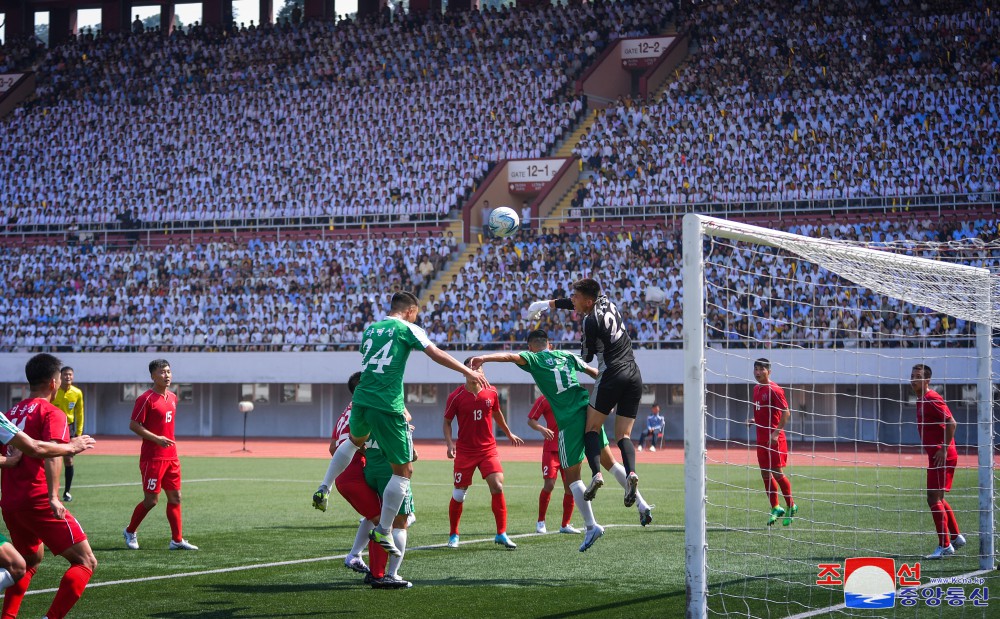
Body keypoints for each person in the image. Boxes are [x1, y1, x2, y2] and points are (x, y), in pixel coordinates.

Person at [314, 291, 488, 557]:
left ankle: (324, 486)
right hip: (387, 404)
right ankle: (384, 529)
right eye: (416, 313)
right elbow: (435, 353)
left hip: (361, 400)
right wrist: (467, 371)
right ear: (410, 310)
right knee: (404, 471)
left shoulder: (371, 329)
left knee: (353, 441)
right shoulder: (407, 327)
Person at [471, 329, 654, 553]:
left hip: (569, 420)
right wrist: (613, 394)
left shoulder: (533, 358)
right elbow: (594, 372)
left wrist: (484, 357)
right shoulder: (565, 355)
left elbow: (509, 357)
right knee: (611, 463)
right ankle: (642, 504)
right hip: (590, 411)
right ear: (549, 343)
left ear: (530, 347)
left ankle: (591, 526)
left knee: (572, 477)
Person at [528, 278, 644, 507]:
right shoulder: (606, 302)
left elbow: (587, 357)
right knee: (623, 436)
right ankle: (631, 473)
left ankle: (596, 475)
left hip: (612, 374)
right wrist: (546, 304)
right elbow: (576, 304)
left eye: (576, 297)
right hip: (634, 374)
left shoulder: (590, 321)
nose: (573, 300)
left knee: (591, 427)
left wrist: (578, 347)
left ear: (588, 301)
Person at [1, 353, 98, 619]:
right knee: (86, 561)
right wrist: (54, 497)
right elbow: (52, 453)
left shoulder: (9, 413)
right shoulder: (52, 412)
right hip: (38, 500)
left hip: (11, 502)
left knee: (29, 561)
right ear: (54, 383)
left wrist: (9, 465)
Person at [312, 371, 387, 577]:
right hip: (354, 475)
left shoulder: (346, 412)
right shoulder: (365, 410)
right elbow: (357, 443)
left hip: (346, 475)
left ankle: (355, 556)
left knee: (373, 516)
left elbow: (332, 448)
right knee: (383, 520)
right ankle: (378, 574)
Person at [443, 359, 523, 550]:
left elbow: (497, 414)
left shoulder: (492, 392)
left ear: (483, 371)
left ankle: (501, 533)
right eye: (471, 369)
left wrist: (508, 432)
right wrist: (449, 444)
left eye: (478, 368)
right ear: (464, 372)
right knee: (459, 493)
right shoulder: (456, 396)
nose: (475, 372)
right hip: (465, 451)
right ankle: (454, 534)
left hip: (488, 449)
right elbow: (447, 421)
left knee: (497, 485)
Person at [123, 359, 198, 551]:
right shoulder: (145, 399)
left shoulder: (173, 397)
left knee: (176, 498)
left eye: (169, 371)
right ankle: (130, 531)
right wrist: (156, 439)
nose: (167, 375)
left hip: (172, 457)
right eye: (162, 372)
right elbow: (134, 425)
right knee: (151, 501)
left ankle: (177, 540)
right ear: (152, 376)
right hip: (153, 458)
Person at [911, 363, 965, 559]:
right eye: (912, 375)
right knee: (939, 498)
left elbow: (952, 422)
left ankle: (945, 545)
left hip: (941, 455)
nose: (913, 379)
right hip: (939, 455)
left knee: (932, 498)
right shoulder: (920, 399)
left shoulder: (932, 398)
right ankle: (956, 537)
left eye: (918, 376)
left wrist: (943, 447)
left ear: (927, 380)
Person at [749, 358, 797, 526]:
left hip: (775, 439)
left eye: (761, 369)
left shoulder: (775, 390)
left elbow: (786, 413)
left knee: (777, 472)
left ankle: (791, 506)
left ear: (769, 371)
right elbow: (764, 412)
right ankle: (775, 507)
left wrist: (776, 433)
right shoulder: (756, 389)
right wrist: (754, 420)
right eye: (755, 369)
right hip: (761, 438)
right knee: (764, 473)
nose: (757, 372)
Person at [526, 395, 579, 534]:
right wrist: (542, 429)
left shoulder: (571, 396)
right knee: (549, 484)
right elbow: (531, 420)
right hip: (551, 449)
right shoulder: (544, 398)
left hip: (569, 449)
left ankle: (565, 524)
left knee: (571, 487)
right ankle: (540, 522)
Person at [52, 366, 84, 502]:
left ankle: (67, 492)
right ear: (60, 376)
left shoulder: (77, 393)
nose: (68, 377)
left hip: (69, 428)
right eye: (65, 374)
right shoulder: (53, 391)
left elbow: (80, 413)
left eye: (70, 374)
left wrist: (78, 432)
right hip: (53, 426)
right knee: (52, 458)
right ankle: (51, 490)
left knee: (68, 460)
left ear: (73, 376)